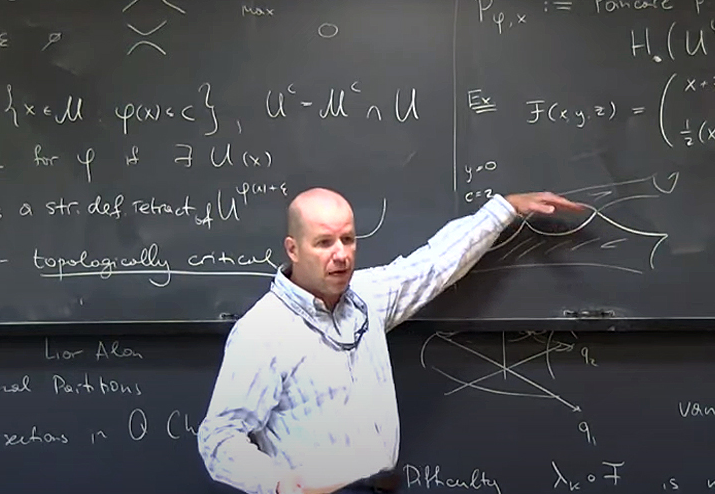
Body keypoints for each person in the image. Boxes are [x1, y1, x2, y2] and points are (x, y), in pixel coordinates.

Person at [197, 188, 587, 494]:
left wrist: (503, 208)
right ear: (293, 249)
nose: (341, 255)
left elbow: (432, 265)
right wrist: (281, 485)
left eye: (347, 240)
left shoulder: (366, 297)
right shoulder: (264, 331)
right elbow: (219, 440)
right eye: (324, 243)